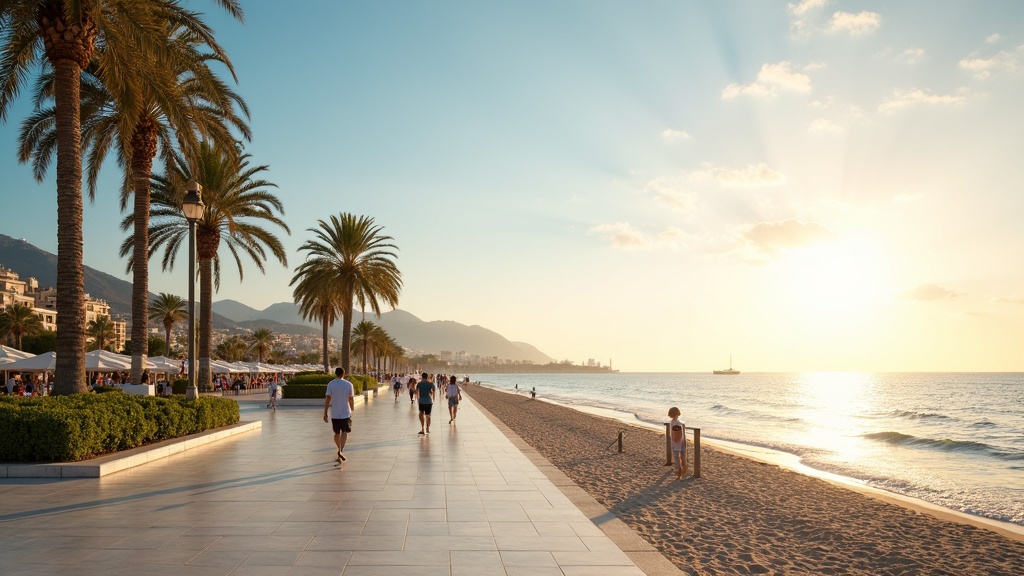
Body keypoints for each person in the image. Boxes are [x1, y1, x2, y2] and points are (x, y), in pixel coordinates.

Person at [324, 367, 355, 462]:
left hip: (335, 413)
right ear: (343, 373)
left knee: (337, 433)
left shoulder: (331, 384)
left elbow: (328, 399)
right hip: (345, 412)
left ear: (335, 373)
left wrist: (325, 412)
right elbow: (351, 398)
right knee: (344, 432)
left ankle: (339, 449)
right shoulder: (348, 384)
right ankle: (340, 450)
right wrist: (352, 409)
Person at [668, 406, 687, 479]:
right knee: (683, 457)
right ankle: (684, 470)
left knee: (677, 457)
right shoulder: (681, 423)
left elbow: (673, 434)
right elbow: (683, 433)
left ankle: (679, 473)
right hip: (682, 441)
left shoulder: (673, 422)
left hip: (676, 442)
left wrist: (673, 439)